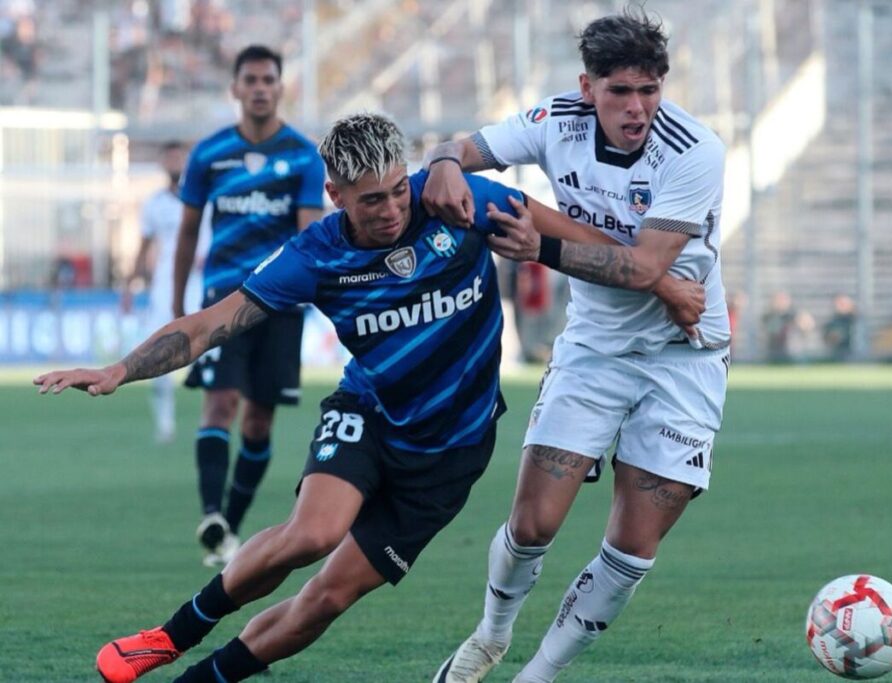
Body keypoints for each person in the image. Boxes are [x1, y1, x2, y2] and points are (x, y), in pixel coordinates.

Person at [36, 112, 704, 683]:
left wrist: (664, 283)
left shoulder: (457, 200)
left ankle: (202, 677)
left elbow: (570, 236)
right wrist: (121, 368)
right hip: (370, 414)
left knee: (326, 597)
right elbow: (211, 323)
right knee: (313, 533)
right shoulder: (316, 254)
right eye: (369, 202)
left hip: (451, 452)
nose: (389, 212)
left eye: (394, 192)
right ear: (334, 196)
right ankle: (176, 631)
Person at [422, 9, 729, 682]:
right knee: (532, 523)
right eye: (620, 90)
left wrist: (542, 245)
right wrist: (445, 158)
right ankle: (490, 637)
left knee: (633, 544)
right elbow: (469, 148)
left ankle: (540, 673)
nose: (637, 107)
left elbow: (647, 268)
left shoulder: (695, 150)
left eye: (649, 89)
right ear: (587, 87)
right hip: (595, 347)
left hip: (686, 355)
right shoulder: (555, 121)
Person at [172, 44, 326, 567]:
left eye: (268, 80)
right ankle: (210, 512)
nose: (260, 88)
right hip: (222, 301)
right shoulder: (209, 154)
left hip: (280, 304)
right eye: (251, 80)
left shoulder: (304, 155)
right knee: (220, 404)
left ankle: (228, 530)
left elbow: (309, 233)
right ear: (235, 88)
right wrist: (178, 305)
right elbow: (188, 231)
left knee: (259, 422)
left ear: (280, 88)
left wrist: (317, 291)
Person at [121, 140, 206, 444]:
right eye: (168, 156)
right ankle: (165, 424)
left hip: (202, 286)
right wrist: (129, 285)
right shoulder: (155, 203)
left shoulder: (204, 200)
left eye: (178, 156)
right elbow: (143, 247)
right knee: (158, 354)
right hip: (164, 289)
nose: (174, 162)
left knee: (211, 357)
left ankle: (211, 423)